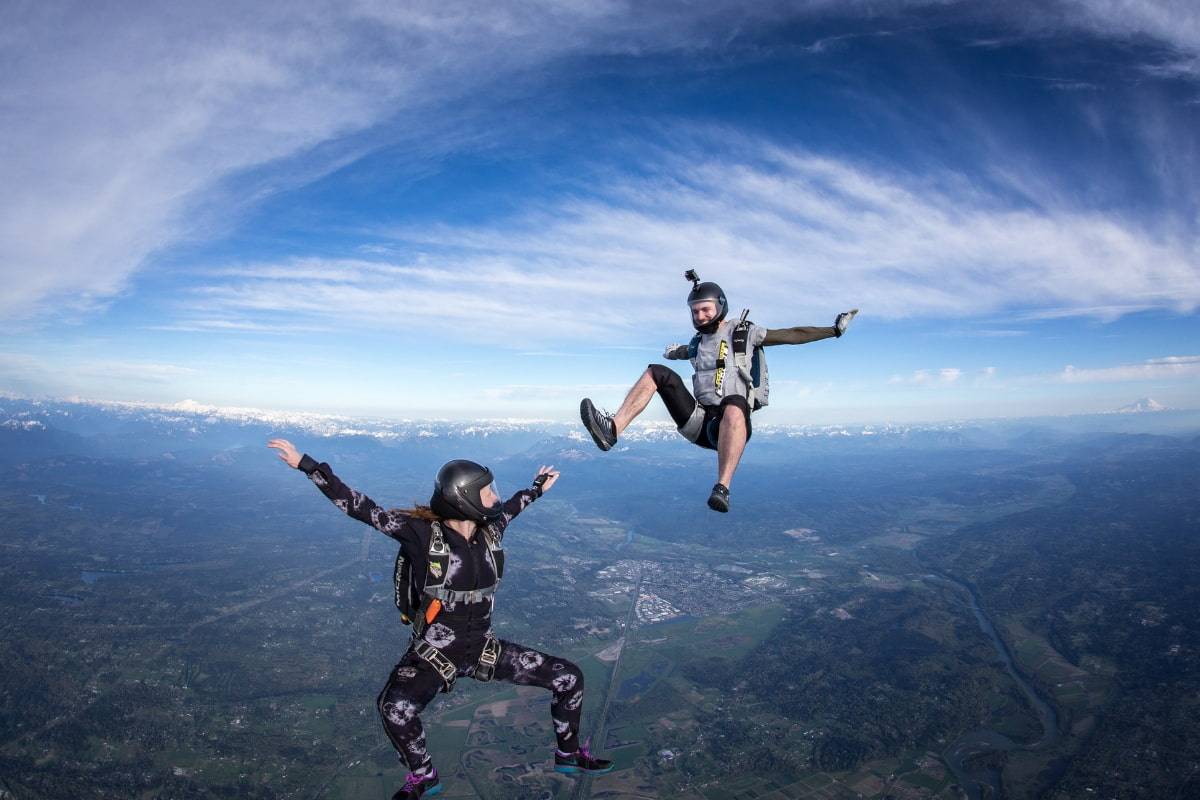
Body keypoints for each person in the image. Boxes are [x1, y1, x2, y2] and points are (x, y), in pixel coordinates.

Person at [266, 438, 612, 799]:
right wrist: (308, 466)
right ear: (463, 498)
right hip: (435, 653)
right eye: (486, 492)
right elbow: (360, 507)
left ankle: (568, 755)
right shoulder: (419, 535)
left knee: (569, 678)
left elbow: (513, 506)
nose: (494, 497)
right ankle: (424, 776)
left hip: (483, 649)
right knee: (394, 709)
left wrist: (537, 488)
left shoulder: (490, 531)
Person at [579, 271, 857, 513]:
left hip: (730, 427)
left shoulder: (744, 332)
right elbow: (682, 353)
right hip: (699, 422)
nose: (700, 316)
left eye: (706, 309)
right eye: (695, 311)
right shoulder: (697, 343)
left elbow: (792, 334)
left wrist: (833, 330)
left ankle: (722, 487)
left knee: (735, 404)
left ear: (720, 307)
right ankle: (612, 430)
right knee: (656, 371)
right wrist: (674, 353)